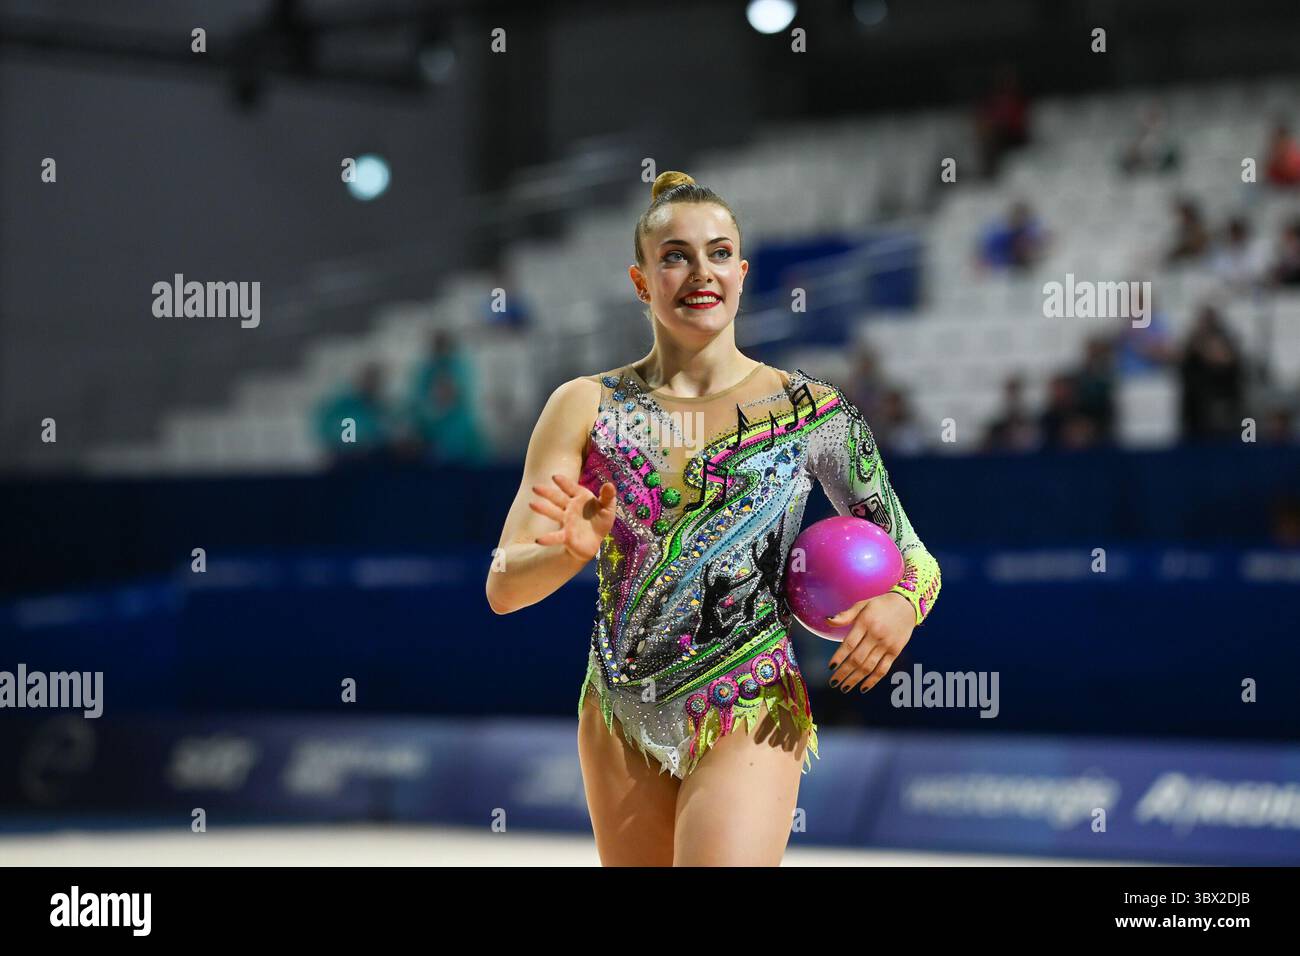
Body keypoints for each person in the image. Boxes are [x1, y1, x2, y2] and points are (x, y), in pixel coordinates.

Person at [485, 171, 942, 867]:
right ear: (641, 282)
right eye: (675, 255)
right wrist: (570, 553)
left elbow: (915, 554)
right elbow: (503, 587)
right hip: (618, 709)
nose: (701, 271)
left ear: (742, 271)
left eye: (719, 252)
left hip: (750, 700)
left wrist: (904, 605)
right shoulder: (584, 406)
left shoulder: (814, 414)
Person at [313, 362, 397, 465]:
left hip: (372, 458)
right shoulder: (343, 404)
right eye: (369, 379)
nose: (372, 384)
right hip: (344, 456)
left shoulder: (380, 407)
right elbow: (326, 426)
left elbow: (384, 432)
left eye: (375, 380)